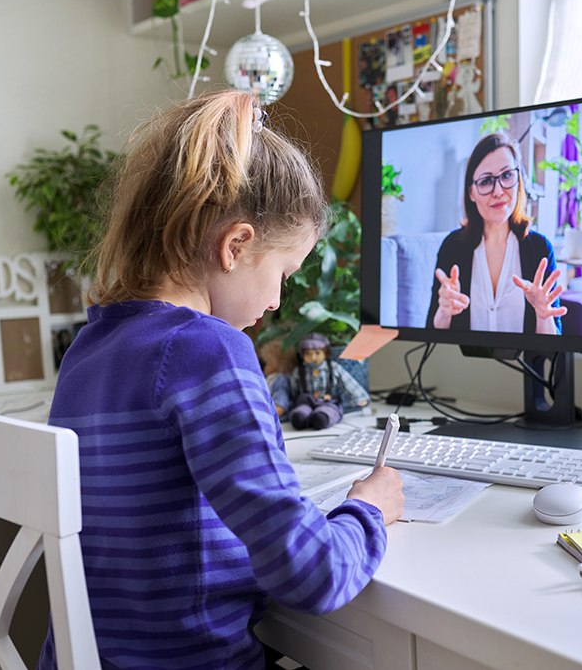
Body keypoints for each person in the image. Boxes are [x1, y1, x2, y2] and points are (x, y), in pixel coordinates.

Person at [36, 91, 404, 670]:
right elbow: (314, 576)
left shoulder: (90, 346)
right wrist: (369, 509)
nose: (280, 299)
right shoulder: (208, 350)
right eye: (283, 272)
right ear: (236, 246)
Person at [426, 132, 567, 334]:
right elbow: (431, 335)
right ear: (471, 193)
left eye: (507, 175)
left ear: (518, 180)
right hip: (464, 365)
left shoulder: (539, 249)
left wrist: (543, 316)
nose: (498, 191)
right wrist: (444, 313)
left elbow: (554, 349)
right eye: (485, 181)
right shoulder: (452, 247)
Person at [284, 332, 370, 430]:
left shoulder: (332, 367)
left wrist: (359, 397)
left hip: (327, 401)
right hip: (306, 402)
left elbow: (347, 381)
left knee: (322, 417)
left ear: (325, 353)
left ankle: (320, 418)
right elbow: (293, 388)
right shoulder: (299, 371)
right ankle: (302, 418)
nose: (313, 357)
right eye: (308, 353)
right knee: (299, 416)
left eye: (317, 353)